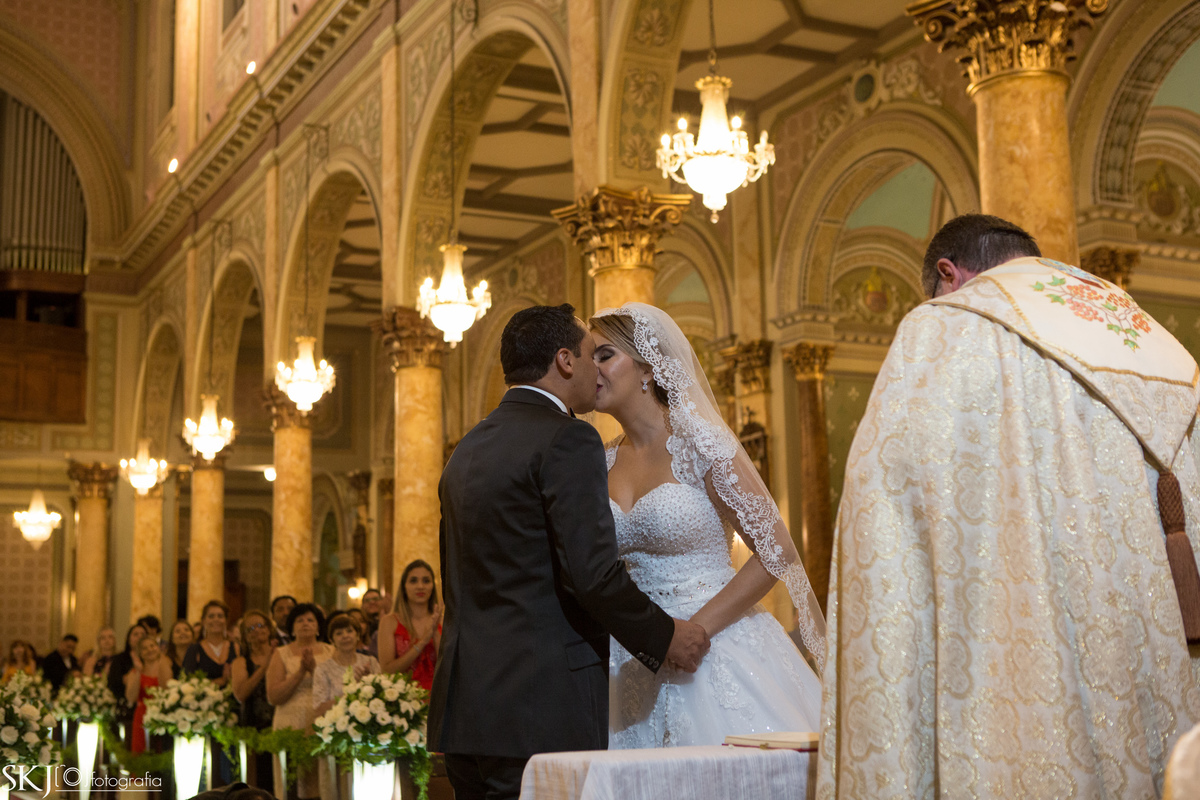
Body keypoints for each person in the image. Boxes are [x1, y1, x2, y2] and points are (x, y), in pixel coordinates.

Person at [817, 214, 1200, 798]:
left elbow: (887, 503)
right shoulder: (1141, 329)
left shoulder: (945, 323)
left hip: (1035, 649)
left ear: (949, 274)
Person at [429, 303, 710, 800]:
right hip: (539, 707)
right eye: (588, 355)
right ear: (564, 361)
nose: (595, 372)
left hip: (465, 712)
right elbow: (592, 576)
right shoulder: (567, 439)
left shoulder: (466, 449)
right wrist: (665, 636)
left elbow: (456, 578)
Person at [589, 304, 825, 747]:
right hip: (630, 655)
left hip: (715, 642)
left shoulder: (699, 442)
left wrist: (693, 631)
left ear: (646, 367)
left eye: (605, 355)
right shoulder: (599, 460)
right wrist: (653, 637)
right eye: (588, 358)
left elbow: (777, 550)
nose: (592, 369)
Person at [266, 603, 332, 800]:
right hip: (289, 724)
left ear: (318, 627)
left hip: (323, 722)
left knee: (323, 783)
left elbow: (338, 690)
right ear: (292, 628)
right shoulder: (281, 653)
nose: (305, 623)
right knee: (293, 786)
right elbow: (273, 696)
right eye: (299, 620)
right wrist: (301, 672)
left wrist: (314, 671)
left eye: (310, 620)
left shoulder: (330, 651)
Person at [313, 614, 379, 800]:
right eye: (339, 633)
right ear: (331, 639)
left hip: (368, 736)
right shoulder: (323, 669)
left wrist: (368, 682)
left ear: (357, 635)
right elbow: (319, 708)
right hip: (336, 738)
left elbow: (381, 697)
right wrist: (352, 692)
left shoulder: (370, 662)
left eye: (349, 631)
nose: (345, 636)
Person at [377, 560, 442, 691]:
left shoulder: (443, 620)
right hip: (403, 696)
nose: (420, 586)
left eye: (426, 581)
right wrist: (422, 642)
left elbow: (451, 667)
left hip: (439, 694)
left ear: (432, 586)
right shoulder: (389, 622)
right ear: (404, 586)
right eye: (413, 581)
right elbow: (387, 671)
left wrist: (435, 633)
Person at [231, 610, 276, 792]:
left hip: (280, 726)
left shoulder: (281, 654)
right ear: (245, 637)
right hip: (254, 728)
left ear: (268, 629)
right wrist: (265, 666)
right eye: (250, 629)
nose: (256, 630)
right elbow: (240, 694)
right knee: (258, 785)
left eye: (260, 626)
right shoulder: (241, 662)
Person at [125, 635, 172, 754]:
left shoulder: (167, 665)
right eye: (144, 648)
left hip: (162, 715)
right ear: (140, 653)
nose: (150, 650)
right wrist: (138, 671)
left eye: (152, 646)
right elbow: (131, 697)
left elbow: (167, 689)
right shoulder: (134, 672)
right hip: (142, 716)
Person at [183, 600, 238, 686]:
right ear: (203, 621)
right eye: (211, 616)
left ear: (226, 620)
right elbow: (188, 684)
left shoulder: (236, 647)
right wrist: (221, 681)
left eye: (220, 616)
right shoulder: (194, 650)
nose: (216, 619)